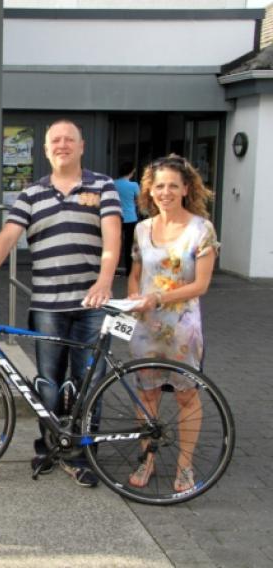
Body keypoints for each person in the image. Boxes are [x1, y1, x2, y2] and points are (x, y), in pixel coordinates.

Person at [0, 119, 121, 488]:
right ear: (46, 150)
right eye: (55, 140)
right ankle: (50, 445)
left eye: (69, 139)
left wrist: (105, 279)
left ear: (82, 146)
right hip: (48, 306)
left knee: (89, 383)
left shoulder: (103, 186)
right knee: (48, 382)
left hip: (92, 305)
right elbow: (6, 238)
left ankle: (83, 455)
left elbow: (113, 236)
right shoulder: (31, 193)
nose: (62, 145)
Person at [125, 154, 218, 493]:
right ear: (149, 191)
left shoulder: (201, 229)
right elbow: (136, 273)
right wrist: (134, 298)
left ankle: (184, 468)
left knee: (185, 398)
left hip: (182, 329)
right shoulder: (142, 228)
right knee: (146, 396)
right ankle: (147, 459)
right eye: (158, 186)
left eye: (172, 186)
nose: (164, 192)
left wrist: (158, 298)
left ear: (186, 189)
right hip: (146, 326)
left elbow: (202, 285)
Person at [114, 161, 140, 275]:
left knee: (114, 244)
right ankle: (129, 271)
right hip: (130, 218)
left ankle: (112, 270)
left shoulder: (113, 183)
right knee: (129, 245)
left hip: (116, 217)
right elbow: (140, 200)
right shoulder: (134, 185)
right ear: (131, 171)